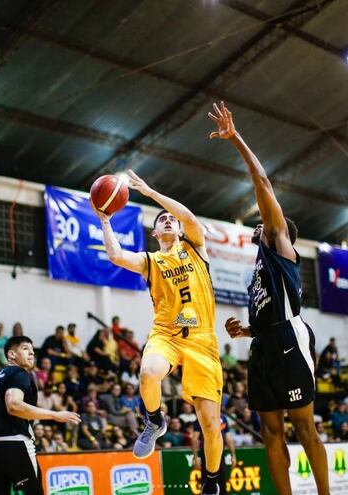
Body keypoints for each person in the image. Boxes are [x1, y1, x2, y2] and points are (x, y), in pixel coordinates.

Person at [209, 102, 329, 495]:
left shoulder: (280, 245)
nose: (261, 221)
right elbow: (267, 312)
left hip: (290, 342)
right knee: (270, 432)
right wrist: (245, 330)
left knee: (304, 428)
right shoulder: (260, 268)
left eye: (266, 220)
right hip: (262, 345)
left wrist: (234, 138)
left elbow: (261, 180)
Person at [91, 169, 223, 495]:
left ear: (179, 229)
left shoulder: (195, 247)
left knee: (210, 425)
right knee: (148, 371)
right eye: (161, 220)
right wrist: (105, 220)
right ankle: (154, 420)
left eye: (171, 220)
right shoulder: (151, 261)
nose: (167, 221)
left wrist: (150, 192)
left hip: (202, 341)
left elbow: (189, 215)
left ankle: (211, 482)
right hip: (166, 334)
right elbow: (116, 255)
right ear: (154, 232)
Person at [0, 335, 80, 494]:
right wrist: (55, 415)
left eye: (32, 350)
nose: (31, 353)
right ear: (11, 355)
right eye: (25, 349)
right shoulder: (19, 373)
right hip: (15, 443)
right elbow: (14, 405)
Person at [192, 413, 236, 495]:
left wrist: (233, 455)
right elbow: (195, 438)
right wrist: (196, 457)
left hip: (217, 452)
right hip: (207, 453)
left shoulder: (222, 418)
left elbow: (228, 437)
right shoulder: (201, 417)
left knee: (219, 479)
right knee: (210, 479)